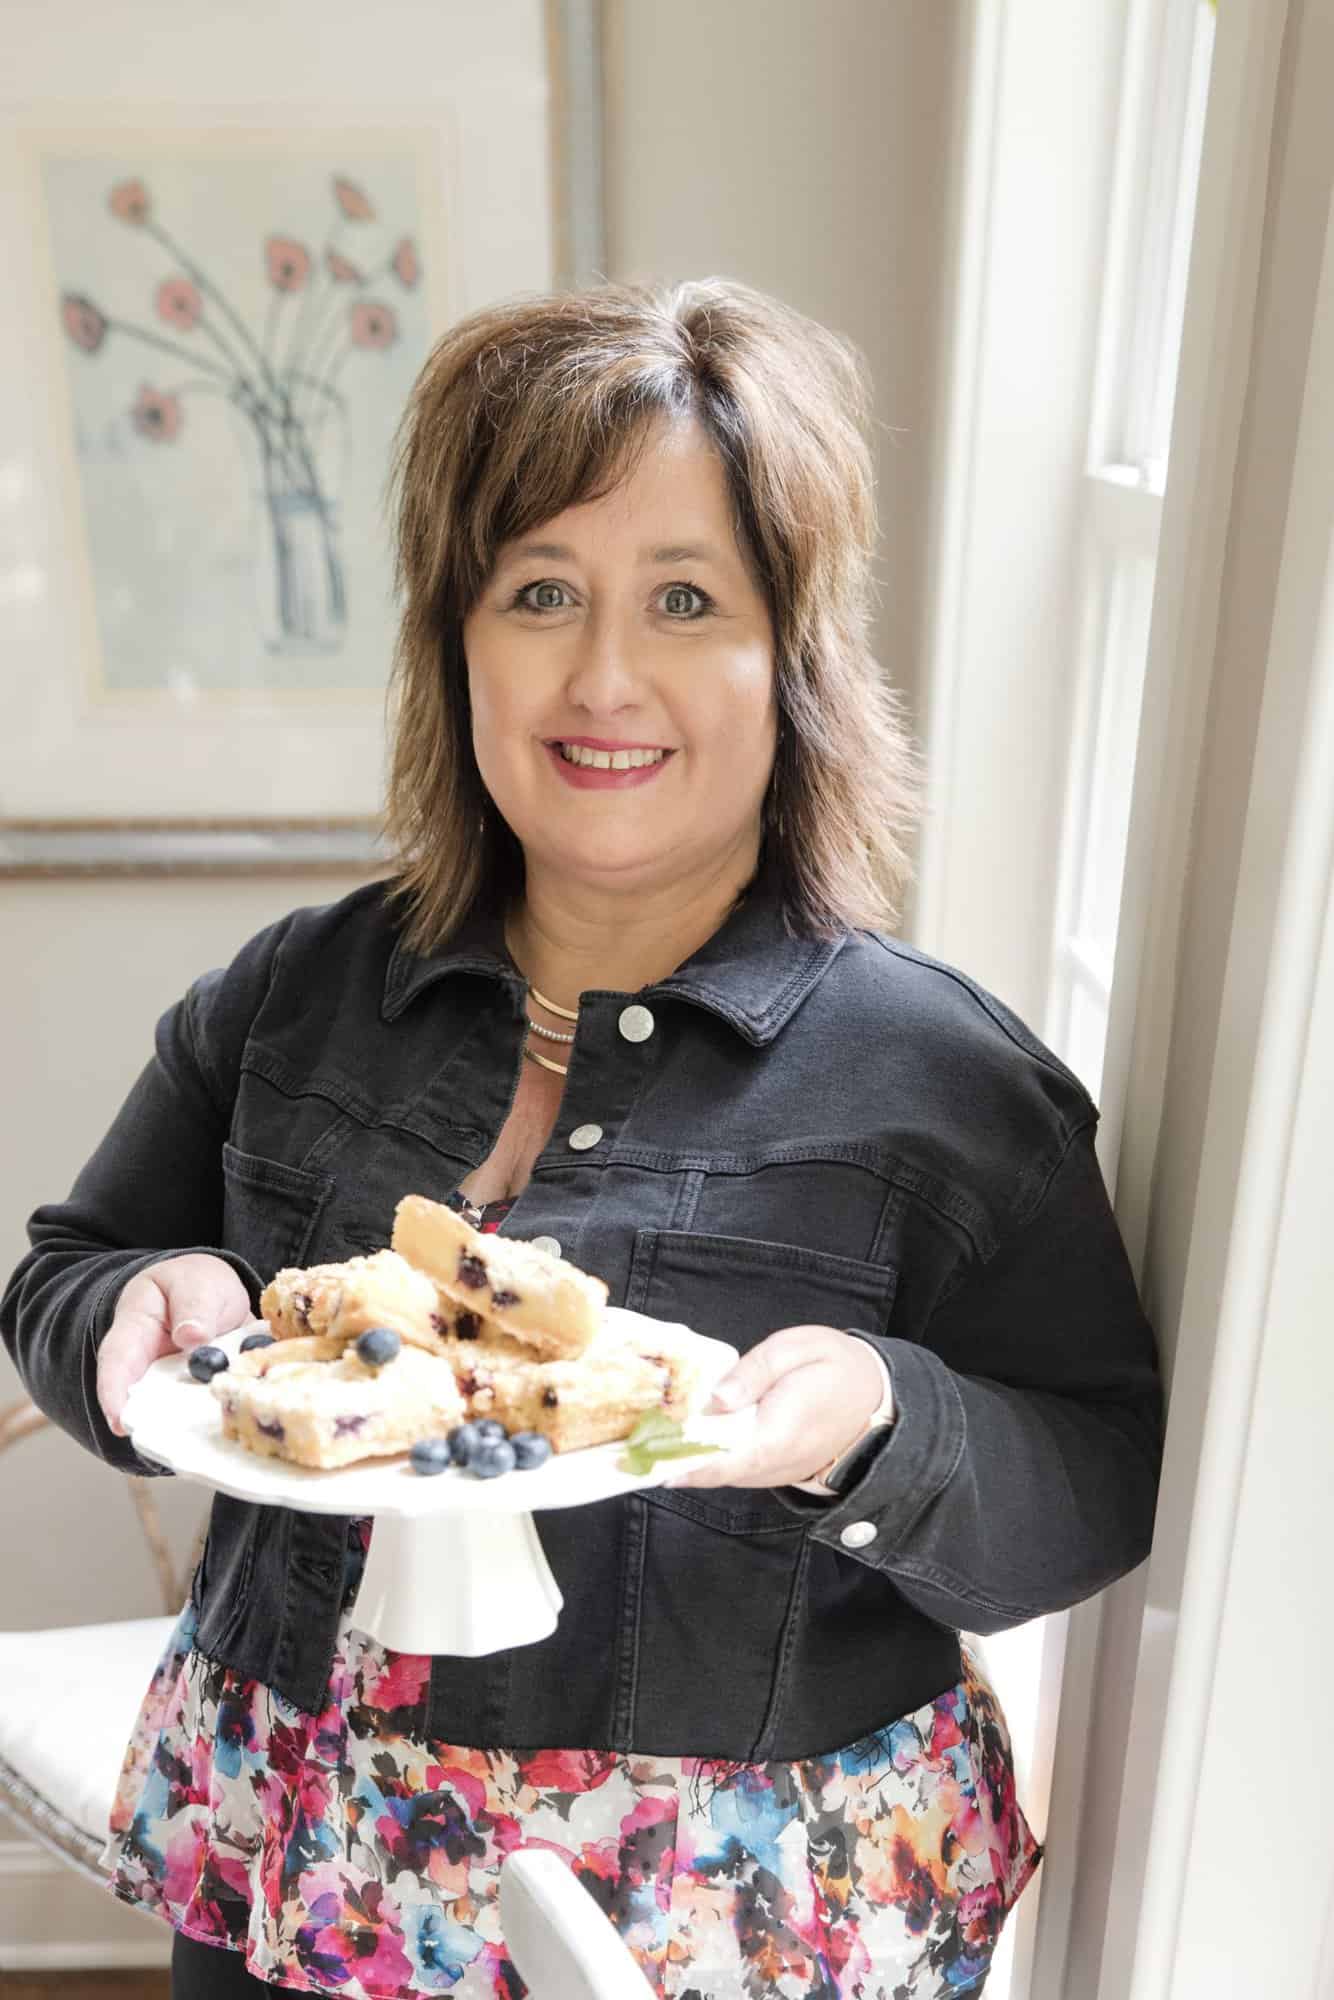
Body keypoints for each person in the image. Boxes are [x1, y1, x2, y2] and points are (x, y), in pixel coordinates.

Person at [1, 277, 1164, 2000]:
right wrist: (131, 1311)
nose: (603, 673)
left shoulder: (941, 1078)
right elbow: (68, 1274)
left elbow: (1085, 1486)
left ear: (792, 656)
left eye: (684, 599)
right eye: (540, 590)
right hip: (298, 1859)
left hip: (732, 1921)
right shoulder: (296, 996)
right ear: (454, 638)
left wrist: (877, 1422)